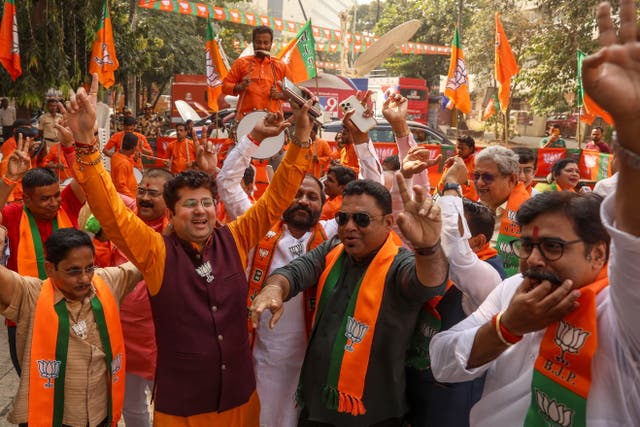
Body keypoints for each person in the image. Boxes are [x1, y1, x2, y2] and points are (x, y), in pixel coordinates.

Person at [62, 73, 314, 426]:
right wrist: (87, 144)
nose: (200, 210)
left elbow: (275, 201)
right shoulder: (155, 251)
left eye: (207, 202)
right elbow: (112, 214)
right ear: (172, 212)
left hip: (241, 398)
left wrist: (301, 139)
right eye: (189, 204)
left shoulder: (236, 237)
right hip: (182, 407)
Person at [432, 5, 640, 420]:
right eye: (527, 245)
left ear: (600, 253)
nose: (532, 259)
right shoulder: (514, 293)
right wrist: (507, 327)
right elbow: (442, 360)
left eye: (551, 246)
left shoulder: (621, 315)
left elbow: (633, 240)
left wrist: (631, 129)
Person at [217, 106, 382, 427]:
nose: (304, 201)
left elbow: (374, 191)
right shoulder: (257, 225)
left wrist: (362, 139)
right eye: (296, 193)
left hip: (313, 361)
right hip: (257, 357)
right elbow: (227, 182)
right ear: (281, 197)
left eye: (312, 196)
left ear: (323, 206)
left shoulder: (332, 235)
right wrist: (254, 138)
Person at [250, 177, 448, 427]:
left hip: (374, 414)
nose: (349, 227)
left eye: (362, 219)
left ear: (388, 223)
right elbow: (298, 270)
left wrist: (429, 247)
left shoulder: (399, 265)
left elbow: (430, 283)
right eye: (342, 218)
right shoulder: (334, 249)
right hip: (315, 407)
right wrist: (275, 288)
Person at [0, 227, 142, 426]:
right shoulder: (30, 295)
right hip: (52, 418)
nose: (84, 278)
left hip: (102, 415)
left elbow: (147, 259)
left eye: (89, 268)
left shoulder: (107, 281)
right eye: (73, 271)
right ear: (50, 268)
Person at [222, 26, 289, 120]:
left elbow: (293, 94)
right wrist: (240, 86)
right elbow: (224, 87)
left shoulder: (281, 65)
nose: (262, 46)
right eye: (258, 42)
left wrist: (279, 95)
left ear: (271, 44)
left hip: (272, 120)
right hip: (245, 120)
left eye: (266, 43)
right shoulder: (241, 63)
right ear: (253, 43)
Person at [439, 135, 478, 200]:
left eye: (462, 148)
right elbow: (443, 181)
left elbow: (478, 184)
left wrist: (465, 182)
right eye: (458, 148)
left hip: (469, 200)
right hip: (449, 196)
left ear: (471, 149)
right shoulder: (452, 161)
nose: (459, 150)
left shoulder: (476, 163)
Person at [109, 133, 139, 198]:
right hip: (128, 198)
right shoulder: (123, 163)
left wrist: (134, 158)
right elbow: (121, 186)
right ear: (134, 148)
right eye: (137, 146)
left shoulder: (116, 155)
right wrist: (132, 199)